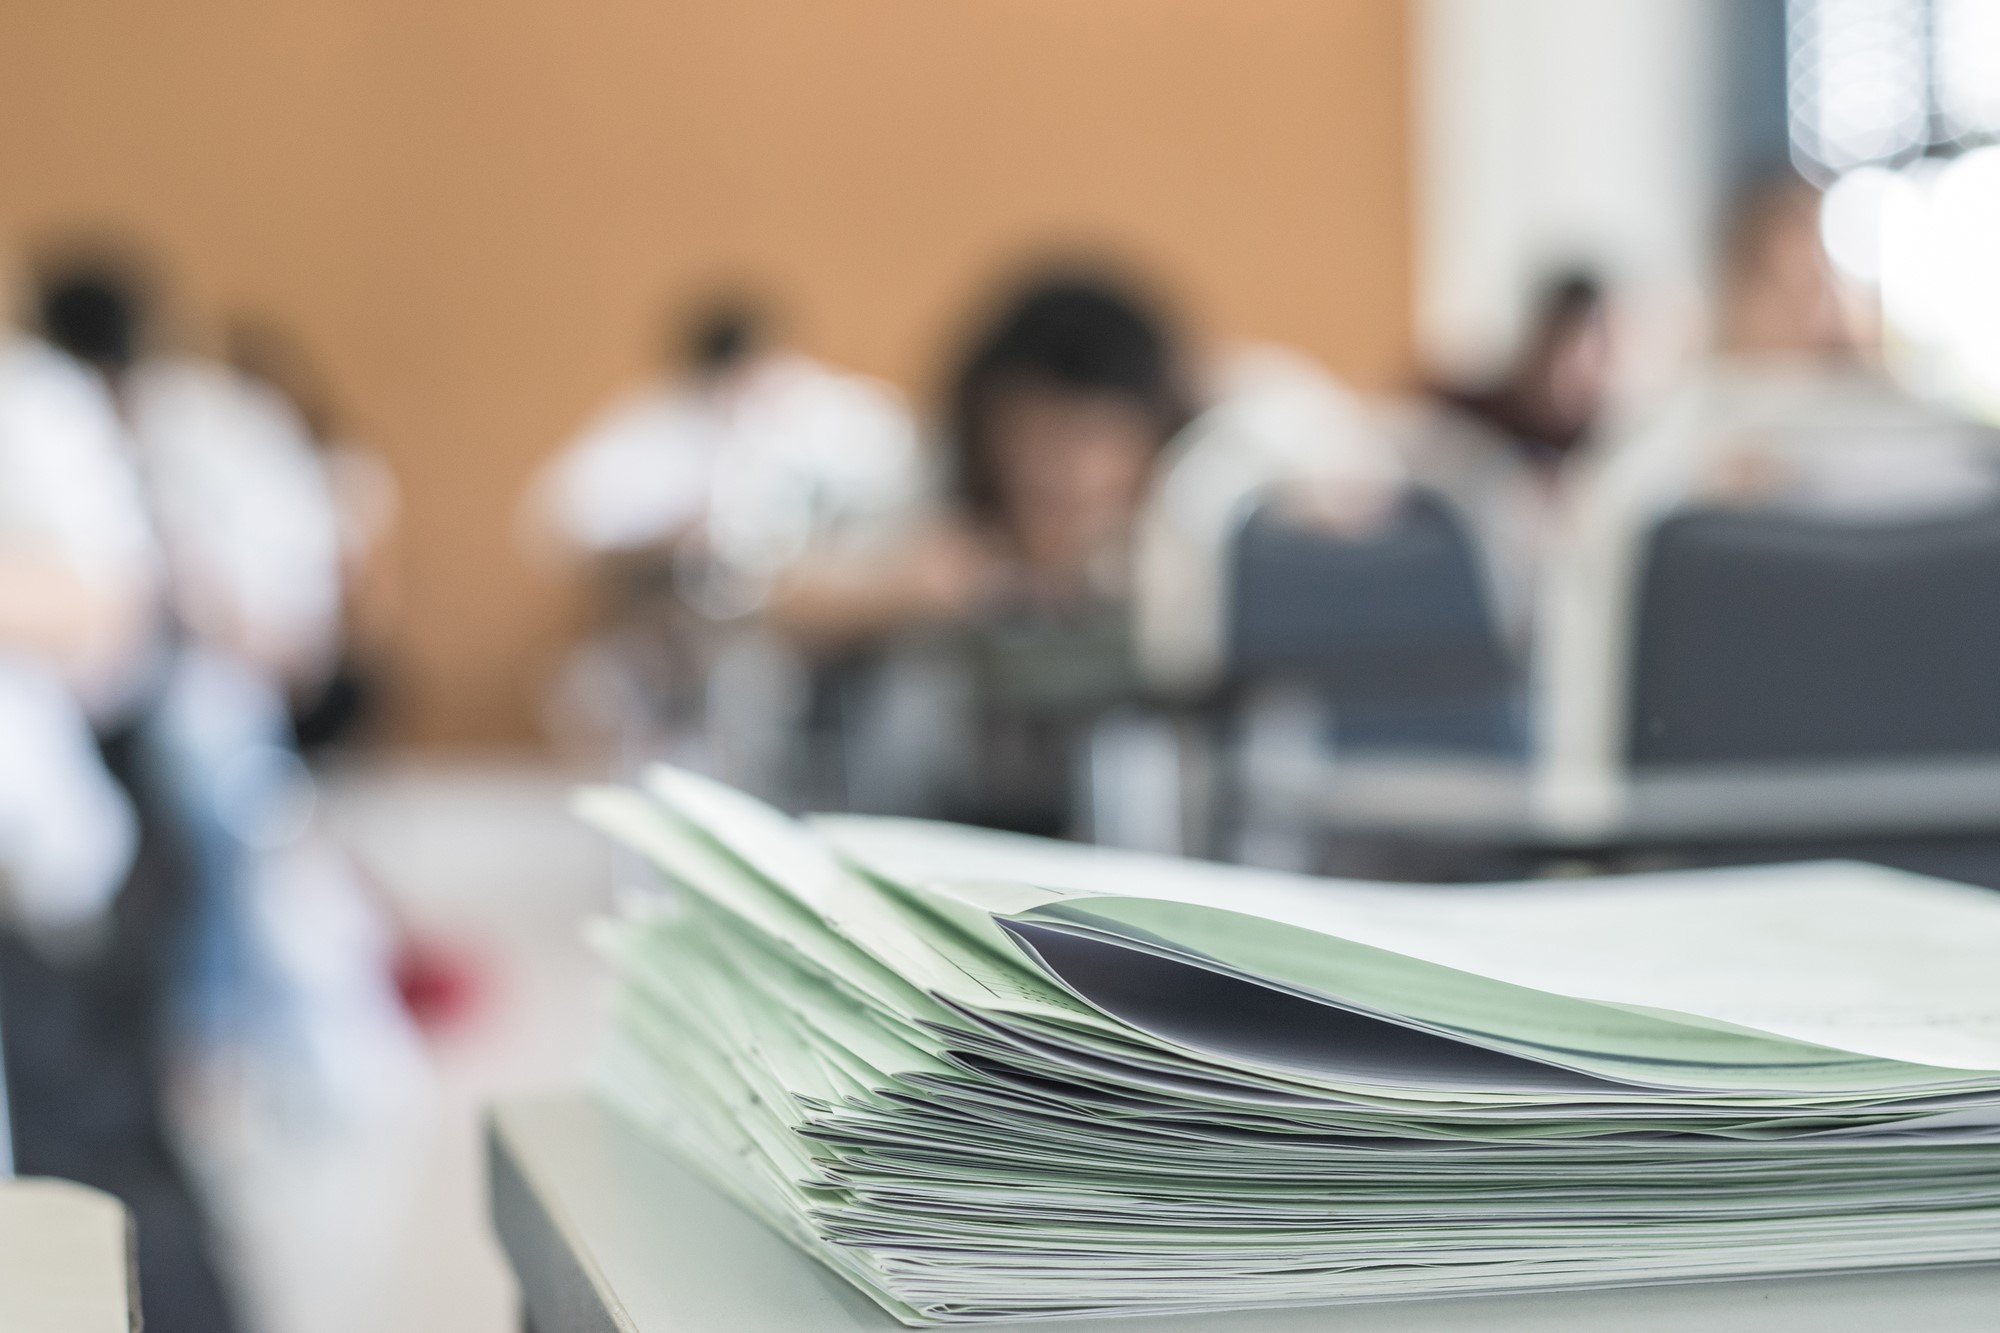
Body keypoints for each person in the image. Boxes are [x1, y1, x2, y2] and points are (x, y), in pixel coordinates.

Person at [1536, 177, 2000, 834]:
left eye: (1828, 279)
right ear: (1729, 294)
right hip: (1716, 830)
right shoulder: (1657, 467)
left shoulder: (1945, 438)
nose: (1818, 314)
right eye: (1785, 285)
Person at [769, 271, 1191, 833]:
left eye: (1091, 436)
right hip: (939, 820)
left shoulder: (1187, 513)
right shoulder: (934, 492)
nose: (1061, 472)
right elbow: (787, 595)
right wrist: (900, 589)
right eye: (1035, 435)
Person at [528, 293, 922, 795]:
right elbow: (563, 527)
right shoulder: (653, 430)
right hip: (689, 647)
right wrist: (666, 544)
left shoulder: (839, 419)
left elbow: (903, 509)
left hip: (826, 648)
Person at [1383, 270, 1615, 651]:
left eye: (1587, 356)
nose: (1569, 373)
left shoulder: (1606, 438)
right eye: (1561, 348)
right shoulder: (1478, 411)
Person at [225, 316, 401, 751]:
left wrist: (314, 650)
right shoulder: (226, 483)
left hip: (320, 662)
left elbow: (372, 594)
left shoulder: (341, 470)